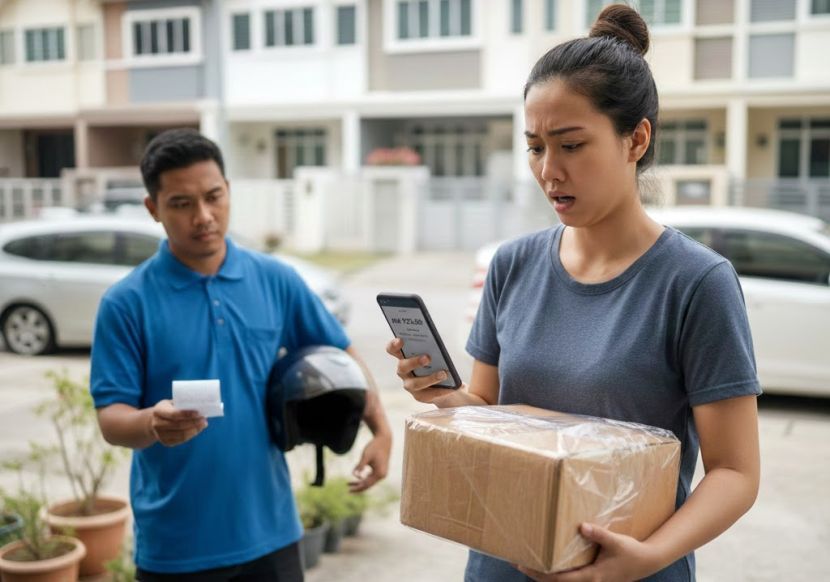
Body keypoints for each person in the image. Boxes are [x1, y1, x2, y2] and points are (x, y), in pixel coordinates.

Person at [386, 5, 760, 582]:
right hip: (501, 558)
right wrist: (441, 394)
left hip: (633, 569)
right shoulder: (513, 264)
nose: (548, 171)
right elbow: (489, 414)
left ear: (636, 139)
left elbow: (735, 472)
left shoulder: (696, 283)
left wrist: (648, 557)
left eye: (571, 145)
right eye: (535, 147)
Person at [91, 128, 392, 581]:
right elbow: (111, 418)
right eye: (181, 203)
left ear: (228, 190)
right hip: (175, 547)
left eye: (214, 196)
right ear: (153, 208)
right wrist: (152, 422)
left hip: (271, 535)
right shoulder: (126, 303)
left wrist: (382, 429)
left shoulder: (275, 279)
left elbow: (342, 354)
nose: (204, 216)